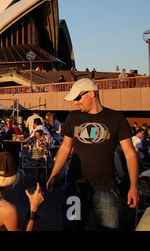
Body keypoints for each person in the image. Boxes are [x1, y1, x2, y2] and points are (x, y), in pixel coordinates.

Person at [46, 78, 140, 231]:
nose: (75, 102)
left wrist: (133, 187)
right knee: (72, 228)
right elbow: (65, 148)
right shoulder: (73, 117)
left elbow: (130, 153)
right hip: (74, 188)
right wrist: (54, 174)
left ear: (91, 93)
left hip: (106, 189)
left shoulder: (116, 119)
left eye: (78, 97)